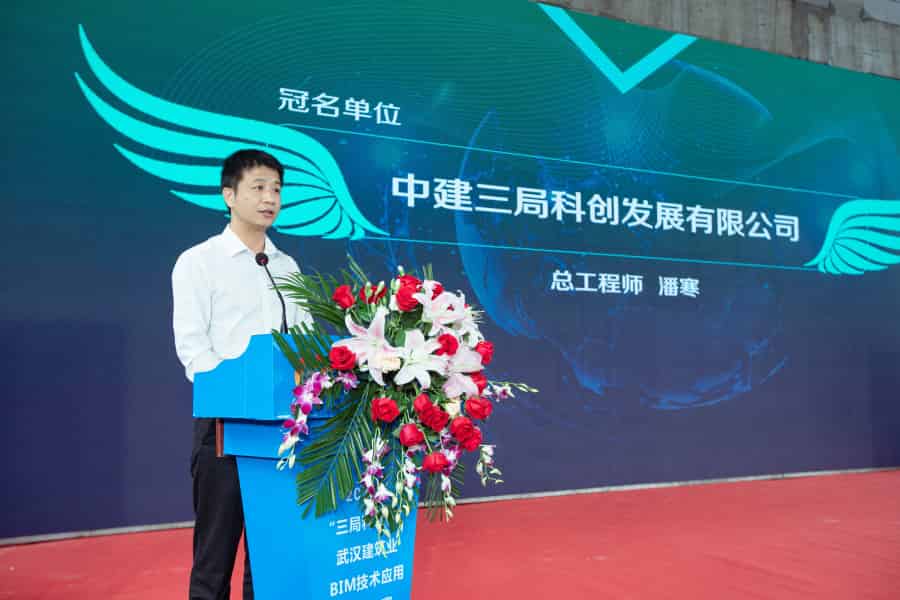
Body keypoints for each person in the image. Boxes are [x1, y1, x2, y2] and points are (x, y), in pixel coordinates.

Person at [172, 149, 312, 599]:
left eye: (277, 189)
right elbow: (193, 350)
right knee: (213, 562)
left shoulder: (286, 266)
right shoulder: (198, 261)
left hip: (280, 431)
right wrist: (242, 391)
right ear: (228, 195)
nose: (270, 198)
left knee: (269, 561)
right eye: (258, 188)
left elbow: (304, 343)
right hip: (224, 429)